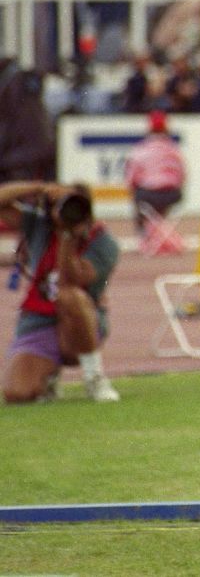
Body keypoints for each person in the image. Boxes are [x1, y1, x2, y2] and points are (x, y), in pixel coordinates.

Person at [1, 181, 120, 404]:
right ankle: (47, 376)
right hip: (38, 320)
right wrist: (39, 188)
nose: (68, 212)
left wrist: (67, 237)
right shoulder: (39, 226)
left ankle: (94, 377)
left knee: (69, 296)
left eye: (75, 205)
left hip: (81, 326)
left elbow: (70, 280)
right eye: (61, 205)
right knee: (17, 394)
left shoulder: (104, 242)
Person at [124, 110, 185, 242]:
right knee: (161, 201)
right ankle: (161, 233)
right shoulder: (174, 149)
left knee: (139, 198)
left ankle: (144, 235)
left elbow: (131, 179)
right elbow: (182, 176)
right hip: (172, 195)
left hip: (148, 195)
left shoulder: (140, 150)